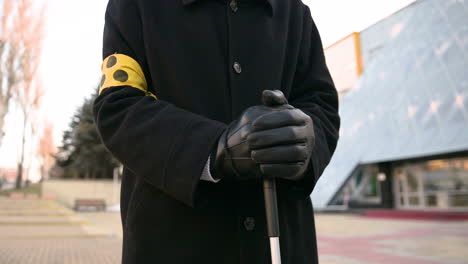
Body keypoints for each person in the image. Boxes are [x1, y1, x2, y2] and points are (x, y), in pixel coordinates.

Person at [93, 0, 340, 263]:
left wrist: (305, 143)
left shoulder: (293, 11)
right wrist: (212, 149)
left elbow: (321, 105)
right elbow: (118, 105)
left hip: (283, 247)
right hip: (171, 244)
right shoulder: (135, 5)